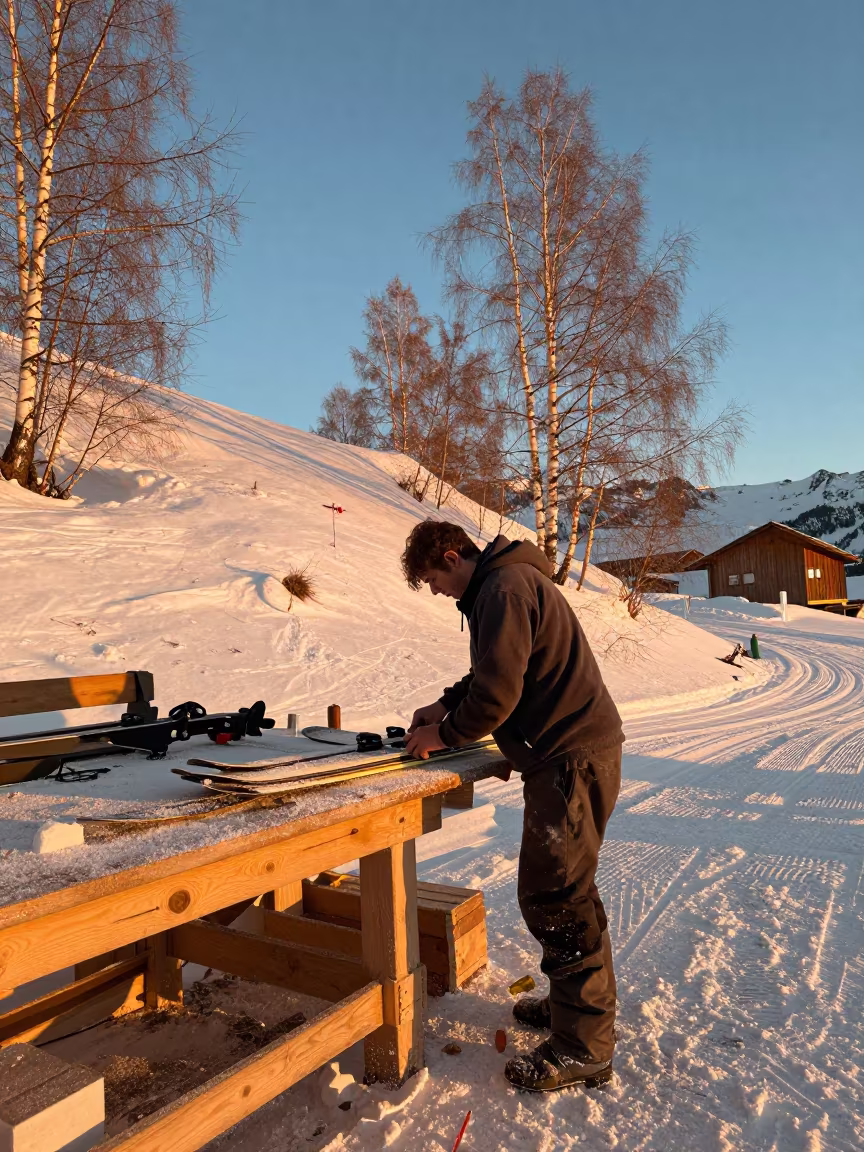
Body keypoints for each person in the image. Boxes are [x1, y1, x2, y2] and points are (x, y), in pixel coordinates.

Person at [401, 520, 624, 1092]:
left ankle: (583, 1048)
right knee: (565, 889)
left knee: (557, 896)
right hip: (568, 753)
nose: (436, 592)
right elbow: (499, 671)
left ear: (453, 556)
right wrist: (445, 705)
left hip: (570, 757)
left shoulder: (503, 588)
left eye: (433, 580)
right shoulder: (505, 583)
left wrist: (445, 735)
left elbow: (498, 694)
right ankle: (573, 1009)